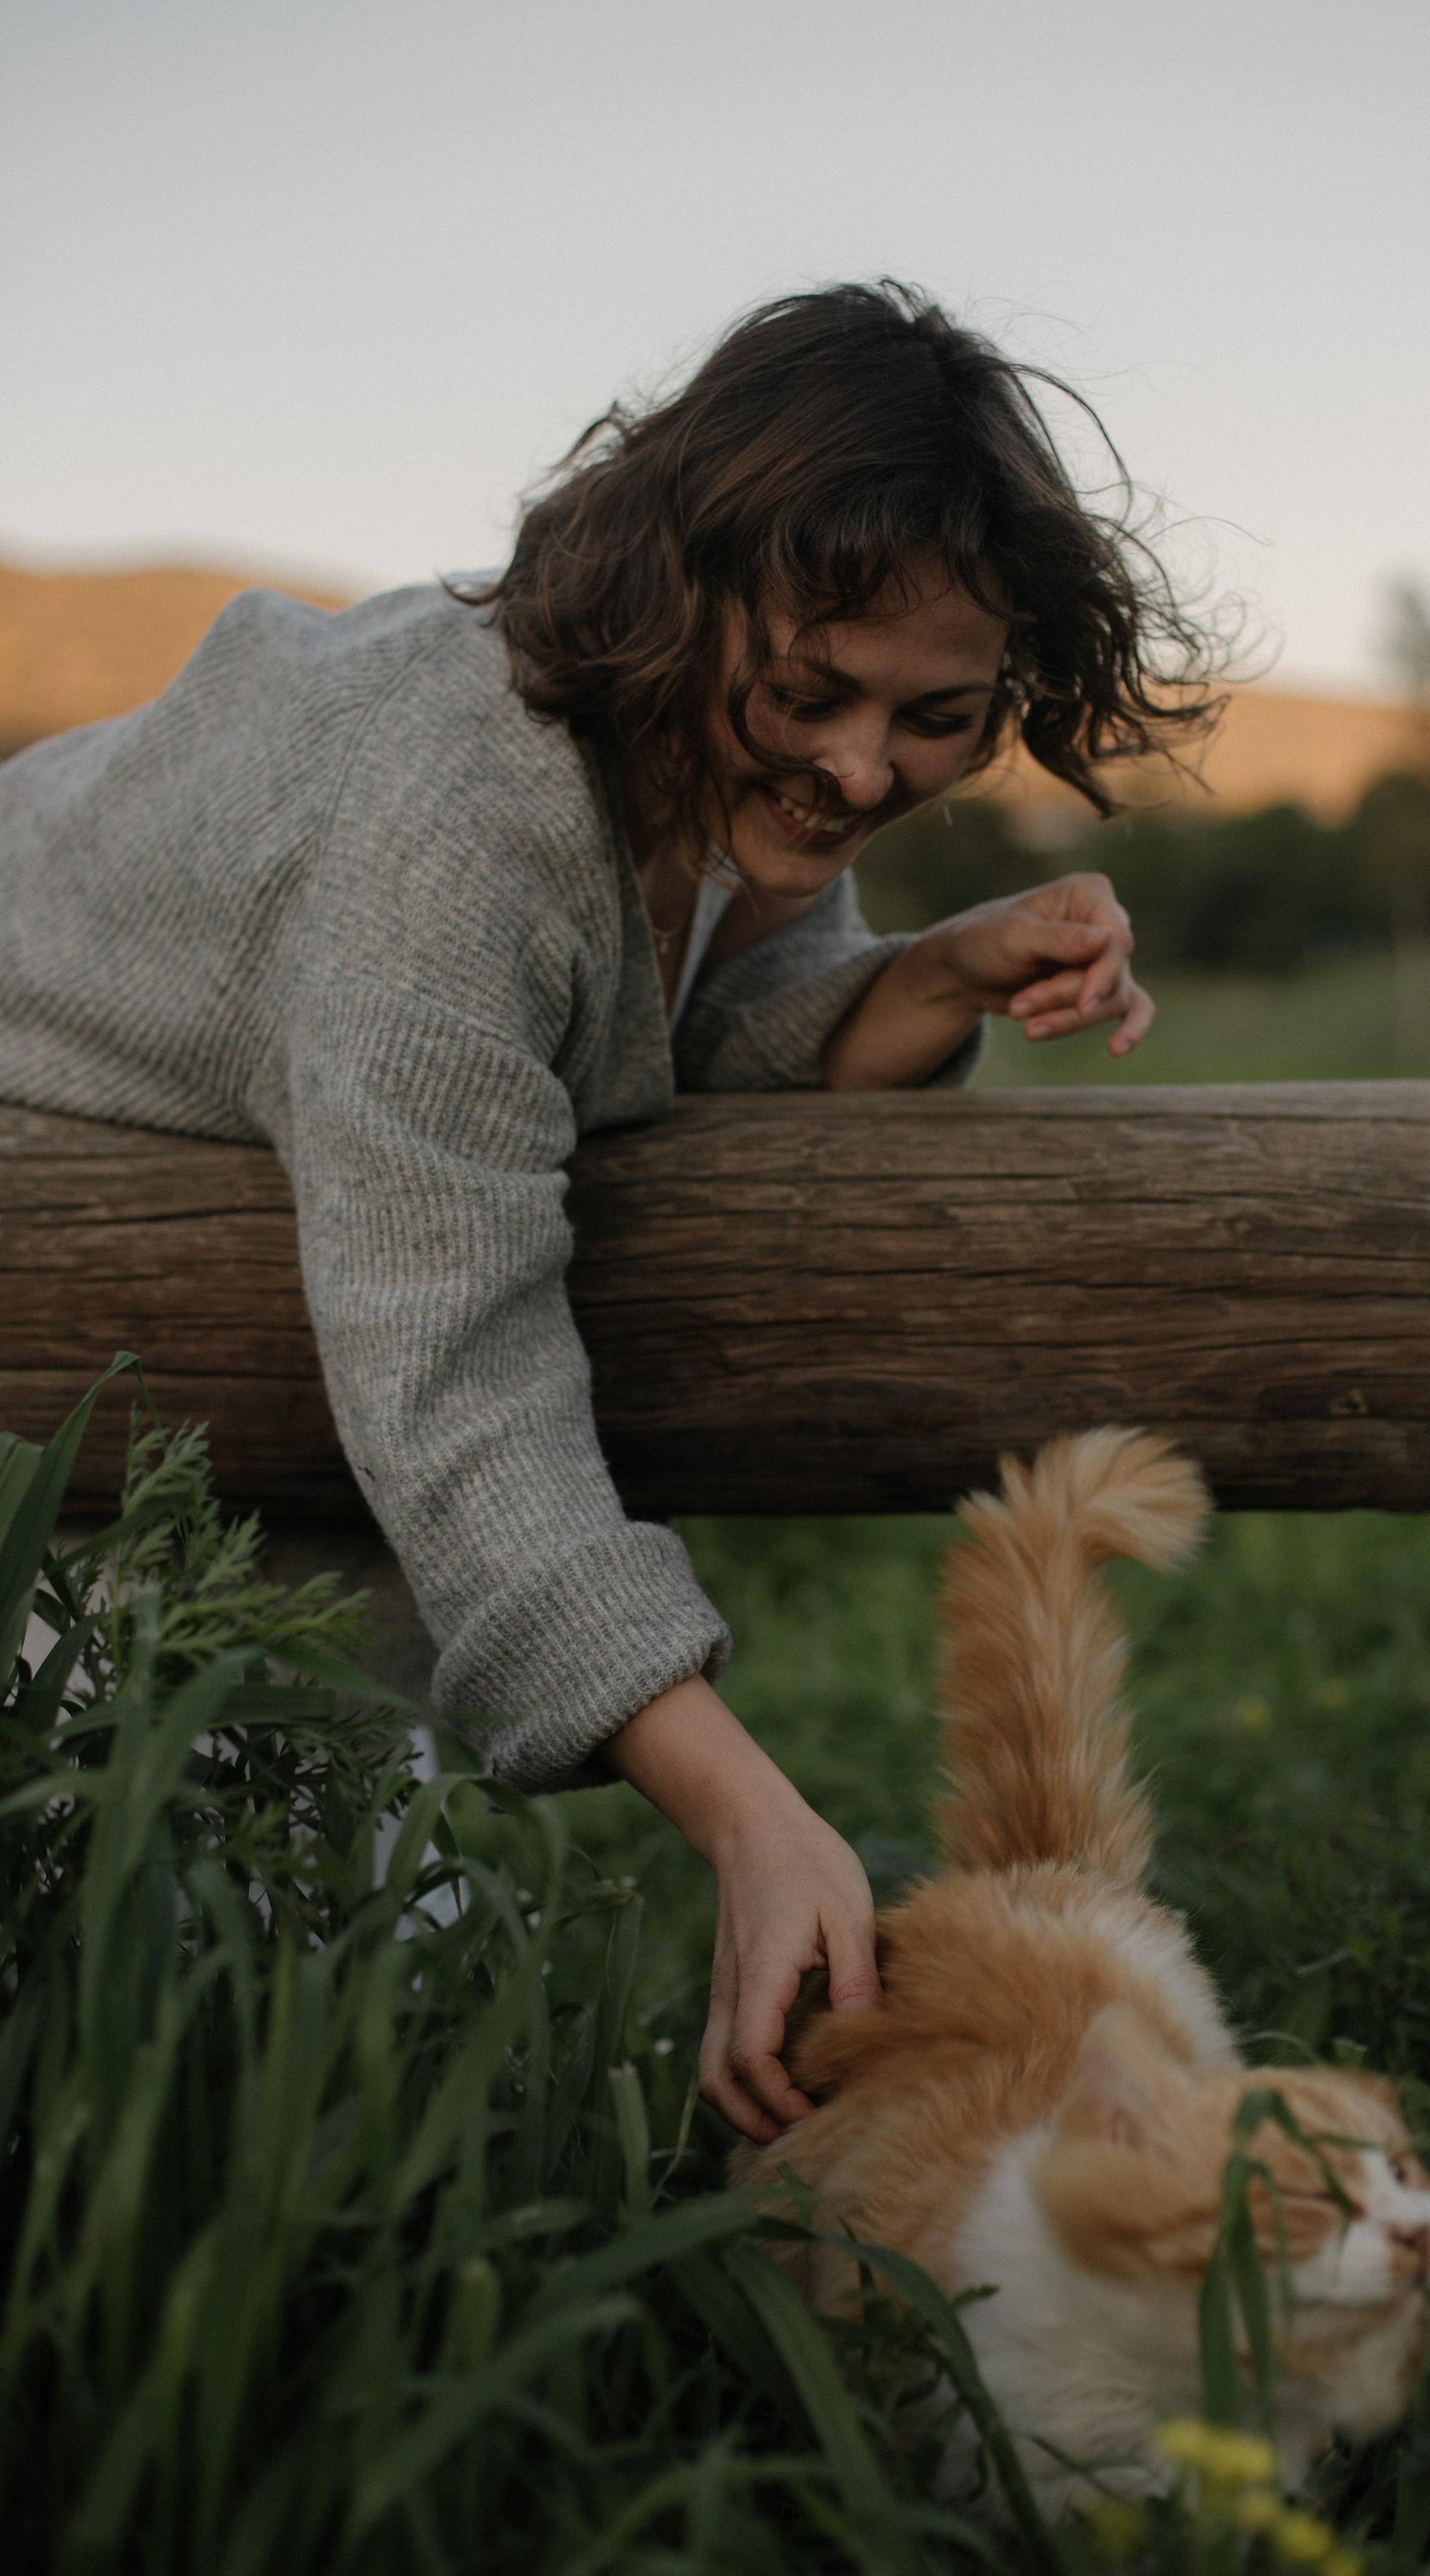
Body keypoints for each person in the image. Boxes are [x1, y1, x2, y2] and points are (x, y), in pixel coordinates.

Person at [0, 282, 1211, 2142]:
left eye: (939, 718)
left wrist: (936, 974)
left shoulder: (713, 778)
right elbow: (456, 1365)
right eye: (812, 692)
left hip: (207, 1469)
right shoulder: (450, 819)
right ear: (679, 581)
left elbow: (696, 1035)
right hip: (47, 1381)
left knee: (342, 2026)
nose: (865, 770)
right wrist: (748, 1805)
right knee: (169, 2020)